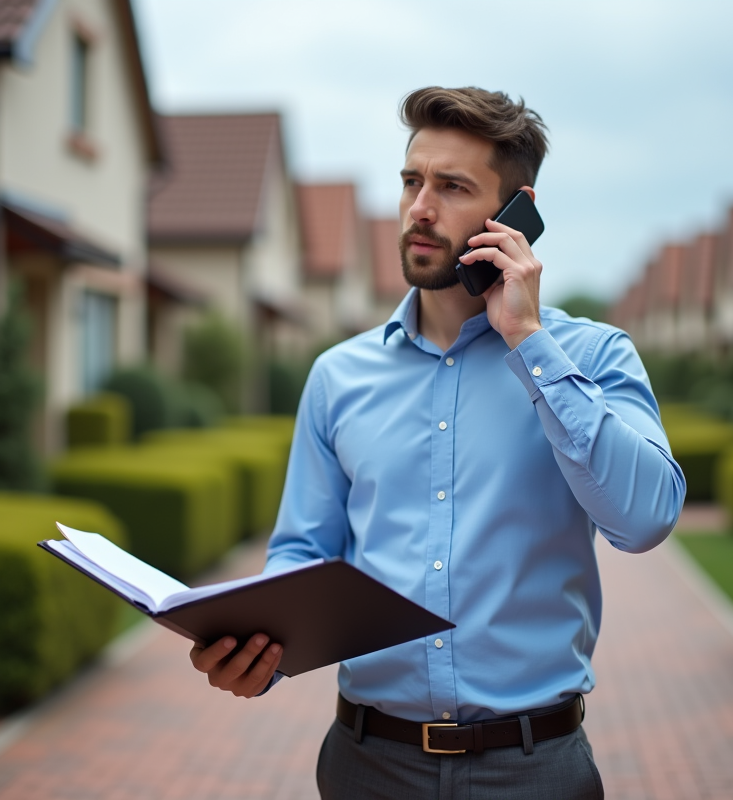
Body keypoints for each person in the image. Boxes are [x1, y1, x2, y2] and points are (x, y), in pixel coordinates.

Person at [190, 86, 685, 799]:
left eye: (451, 187)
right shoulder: (338, 377)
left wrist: (529, 341)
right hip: (367, 764)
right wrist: (261, 652)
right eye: (411, 181)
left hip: (534, 769)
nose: (420, 207)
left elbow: (646, 519)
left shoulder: (593, 357)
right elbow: (303, 553)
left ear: (517, 212)